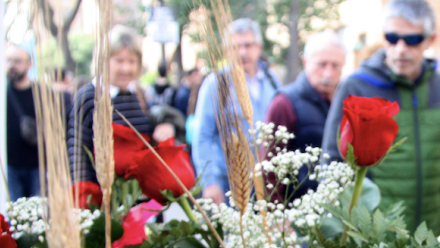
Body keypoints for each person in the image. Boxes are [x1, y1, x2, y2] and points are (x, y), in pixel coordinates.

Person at [322, 0, 440, 235]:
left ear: (431, 40)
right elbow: (332, 162)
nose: (400, 48)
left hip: (427, 239)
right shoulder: (357, 85)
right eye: (392, 38)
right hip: (372, 242)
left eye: (411, 40)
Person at [68, 25, 183, 185]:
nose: (126, 68)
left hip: (143, 196)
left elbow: (147, 132)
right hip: (106, 198)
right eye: (119, 60)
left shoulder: (137, 92)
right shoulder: (89, 97)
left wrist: (167, 125)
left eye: (132, 61)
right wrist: (88, 198)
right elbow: (78, 153)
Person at [193, 18, 282, 205]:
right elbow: (202, 137)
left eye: (248, 45)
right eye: (235, 46)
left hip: (268, 180)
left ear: (258, 47)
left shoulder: (272, 79)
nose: (242, 52)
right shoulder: (216, 84)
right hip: (230, 184)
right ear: (226, 51)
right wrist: (209, 182)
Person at [265, 31, 346, 200]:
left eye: (335, 66)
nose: (328, 73)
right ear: (306, 62)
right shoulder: (284, 103)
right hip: (296, 214)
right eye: (321, 64)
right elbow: (269, 169)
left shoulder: (346, 103)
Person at [5, 44, 41, 200]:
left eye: (18, 61)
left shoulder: (42, 95)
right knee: (14, 213)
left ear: (29, 64)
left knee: (37, 214)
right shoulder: (2, 93)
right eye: (9, 61)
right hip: (10, 165)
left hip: (36, 165)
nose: (13, 65)